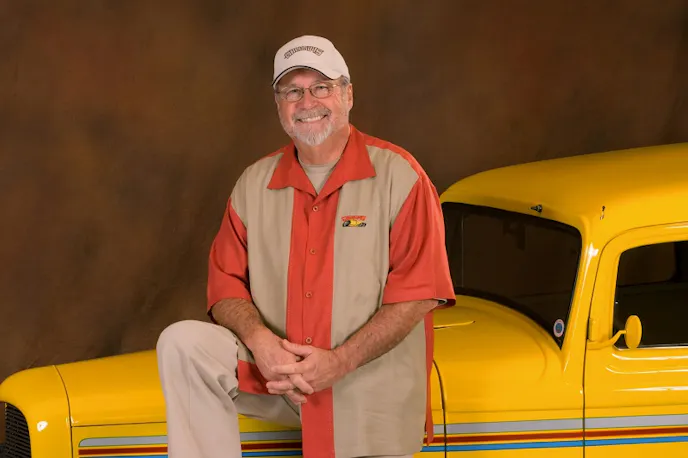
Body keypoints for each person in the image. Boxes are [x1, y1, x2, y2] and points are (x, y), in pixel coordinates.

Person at [156, 34, 455, 458]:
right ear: (278, 105)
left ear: (348, 95)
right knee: (182, 344)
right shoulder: (254, 184)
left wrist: (339, 362)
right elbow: (225, 286)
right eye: (292, 91)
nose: (307, 102)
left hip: (363, 386)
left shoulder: (401, 177)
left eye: (321, 87)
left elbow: (419, 293)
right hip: (275, 378)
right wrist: (261, 342)